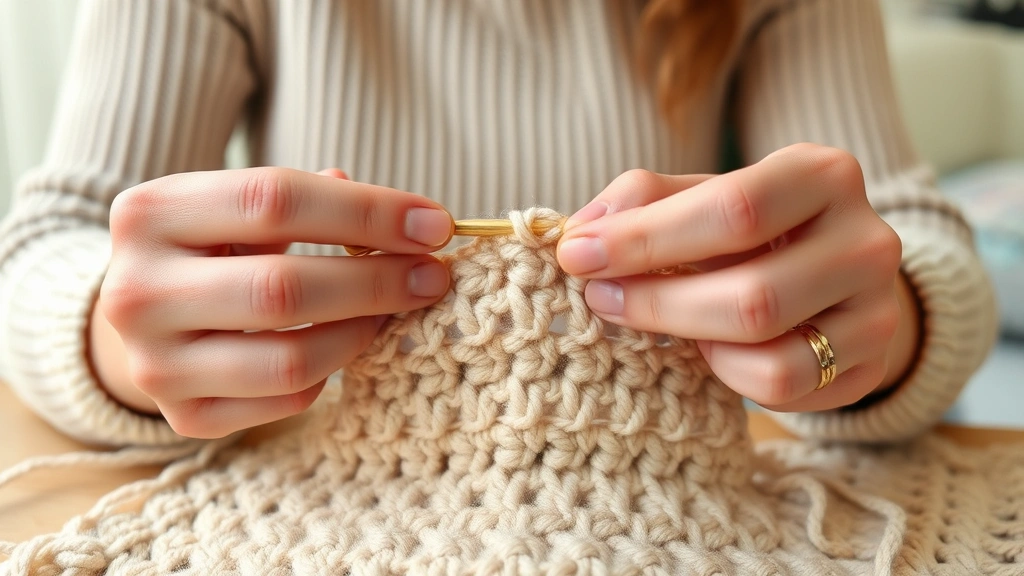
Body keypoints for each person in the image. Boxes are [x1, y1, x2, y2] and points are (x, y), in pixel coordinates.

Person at [0, 0, 996, 448]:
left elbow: (907, 233)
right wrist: (115, 341)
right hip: (322, 496)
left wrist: (881, 328)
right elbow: (53, 237)